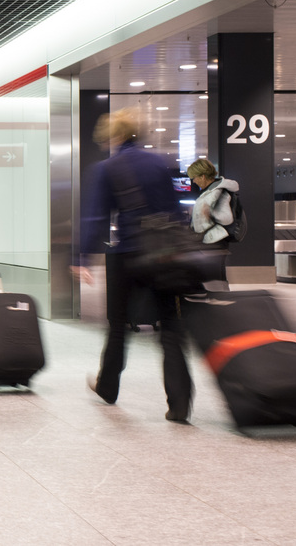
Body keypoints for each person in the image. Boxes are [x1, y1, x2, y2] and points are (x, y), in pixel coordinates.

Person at [71, 108, 194, 424]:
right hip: (164, 254)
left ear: (116, 135)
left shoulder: (108, 168)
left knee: (118, 325)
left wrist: (84, 257)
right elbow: (175, 209)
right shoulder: (158, 162)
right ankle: (179, 404)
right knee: (170, 327)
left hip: (127, 256)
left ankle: (108, 387)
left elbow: (97, 216)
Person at [186, 158, 238, 291]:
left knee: (216, 278)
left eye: (195, 177)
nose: (194, 181)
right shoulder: (209, 191)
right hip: (209, 241)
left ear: (203, 176)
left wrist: (210, 213)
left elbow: (227, 218)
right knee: (214, 277)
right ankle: (218, 302)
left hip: (215, 241)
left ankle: (221, 304)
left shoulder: (219, 192)